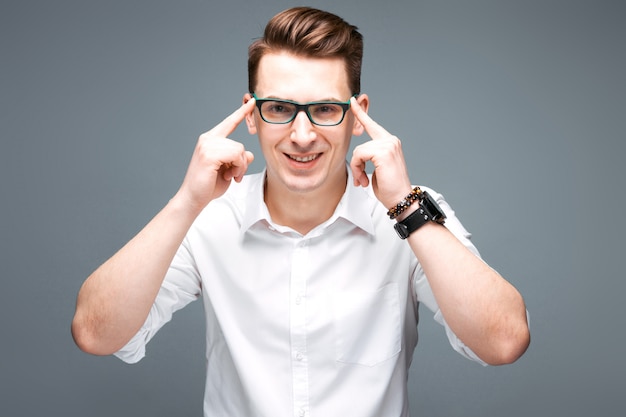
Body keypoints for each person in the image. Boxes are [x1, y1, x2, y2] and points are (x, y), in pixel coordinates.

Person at [72, 7, 530, 417]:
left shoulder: (409, 213)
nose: (302, 135)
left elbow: (504, 341)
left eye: (326, 109)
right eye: (279, 108)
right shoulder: (210, 215)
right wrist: (186, 203)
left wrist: (404, 207)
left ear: (357, 114)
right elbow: (95, 333)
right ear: (251, 116)